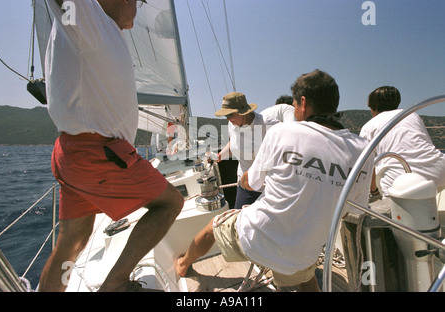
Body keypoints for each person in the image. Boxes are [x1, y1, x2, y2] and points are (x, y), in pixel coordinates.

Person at [176, 69, 374, 291]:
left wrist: (242, 181)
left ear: (303, 102)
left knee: (214, 227)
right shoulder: (364, 151)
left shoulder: (281, 131)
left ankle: (183, 264)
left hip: (261, 237)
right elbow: (348, 211)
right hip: (304, 251)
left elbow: (251, 183)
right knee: (304, 276)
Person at [39, 0, 184, 292]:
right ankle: (115, 283)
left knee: (75, 239)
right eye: (139, 1)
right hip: (99, 157)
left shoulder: (95, 27)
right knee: (170, 203)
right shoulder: (86, 16)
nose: (139, 7)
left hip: (75, 156)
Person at [360, 86, 445, 198]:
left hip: (399, 181)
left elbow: (368, 166)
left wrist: (374, 191)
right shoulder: (412, 115)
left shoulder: (368, 127)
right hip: (439, 173)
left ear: (373, 107)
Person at [207, 92, 279, 209]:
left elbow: (290, 144)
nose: (228, 119)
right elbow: (233, 143)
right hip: (245, 184)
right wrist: (219, 156)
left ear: (243, 112)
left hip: (270, 186)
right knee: (239, 220)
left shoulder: (268, 124)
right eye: (226, 116)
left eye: (230, 114)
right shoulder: (232, 124)